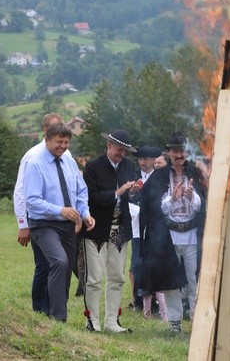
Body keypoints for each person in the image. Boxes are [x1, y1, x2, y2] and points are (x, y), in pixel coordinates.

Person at [24, 123, 95, 322]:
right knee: (59, 261)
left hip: (68, 226)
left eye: (66, 142)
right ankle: (58, 318)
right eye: (59, 142)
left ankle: (55, 312)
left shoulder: (69, 161)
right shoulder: (35, 163)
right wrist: (60, 210)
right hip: (44, 225)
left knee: (66, 267)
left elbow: (81, 191)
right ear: (47, 140)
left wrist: (85, 213)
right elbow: (32, 201)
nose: (63, 146)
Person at [139, 132, 207, 334]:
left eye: (183, 151)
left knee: (195, 279)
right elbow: (153, 208)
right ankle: (175, 322)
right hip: (167, 238)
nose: (179, 155)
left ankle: (197, 320)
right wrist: (173, 200)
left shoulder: (195, 173)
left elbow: (202, 206)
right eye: (176, 151)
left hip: (192, 236)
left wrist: (191, 196)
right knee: (170, 281)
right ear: (169, 153)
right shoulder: (158, 177)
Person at [81, 129, 138, 333]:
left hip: (120, 230)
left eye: (124, 151)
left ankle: (112, 322)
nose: (121, 154)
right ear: (109, 146)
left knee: (117, 277)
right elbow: (90, 197)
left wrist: (133, 192)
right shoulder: (93, 166)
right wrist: (117, 193)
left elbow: (133, 197)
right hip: (96, 228)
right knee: (94, 278)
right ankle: (92, 320)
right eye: (119, 150)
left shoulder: (130, 166)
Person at [13, 113, 69, 315]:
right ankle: (39, 310)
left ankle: (56, 308)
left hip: (64, 220)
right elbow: (21, 192)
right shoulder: (32, 157)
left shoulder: (66, 154)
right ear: (45, 131)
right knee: (44, 265)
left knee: (61, 264)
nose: (61, 138)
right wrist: (23, 224)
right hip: (39, 219)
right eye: (55, 128)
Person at [128, 146, 167, 321]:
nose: (143, 162)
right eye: (140, 159)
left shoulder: (161, 177)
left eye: (146, 159)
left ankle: (158, 304)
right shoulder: (133, 177)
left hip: (157, 228)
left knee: (158, 264)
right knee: (137, 264)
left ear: (153, 160)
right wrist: (131, 194)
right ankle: (137, 301)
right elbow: (125, 201)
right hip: (137, 227)